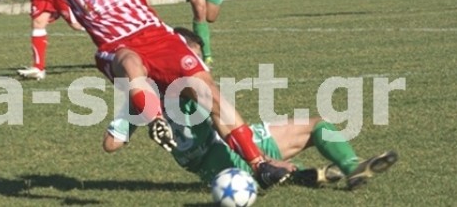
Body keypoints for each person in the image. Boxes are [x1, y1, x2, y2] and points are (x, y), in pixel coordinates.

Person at [0, 0, 292, 188]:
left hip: (158, 37)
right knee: (130, 61)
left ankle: (260, 165)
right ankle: (155, 119)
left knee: (209, 94)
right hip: (114, 47)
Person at [102, 27, 399, 190]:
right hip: (230, 155)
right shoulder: (189, 84)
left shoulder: (142, 97)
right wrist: (263, 157)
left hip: (207, 171)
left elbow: (111, 145)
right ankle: (351, 167)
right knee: (317, 125)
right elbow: (223, 123)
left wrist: (133, 115)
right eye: (192, 55)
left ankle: (303, 177)